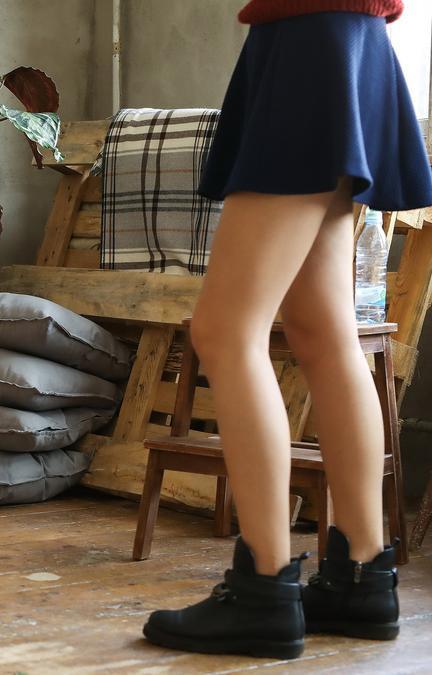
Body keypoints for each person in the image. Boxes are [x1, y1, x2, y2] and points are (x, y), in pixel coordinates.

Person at [141, 0, 432, 660]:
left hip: (312, 42)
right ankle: (361, 575)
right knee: (323, 328)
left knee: (225, 330)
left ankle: (264, 588)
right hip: (338, 38)